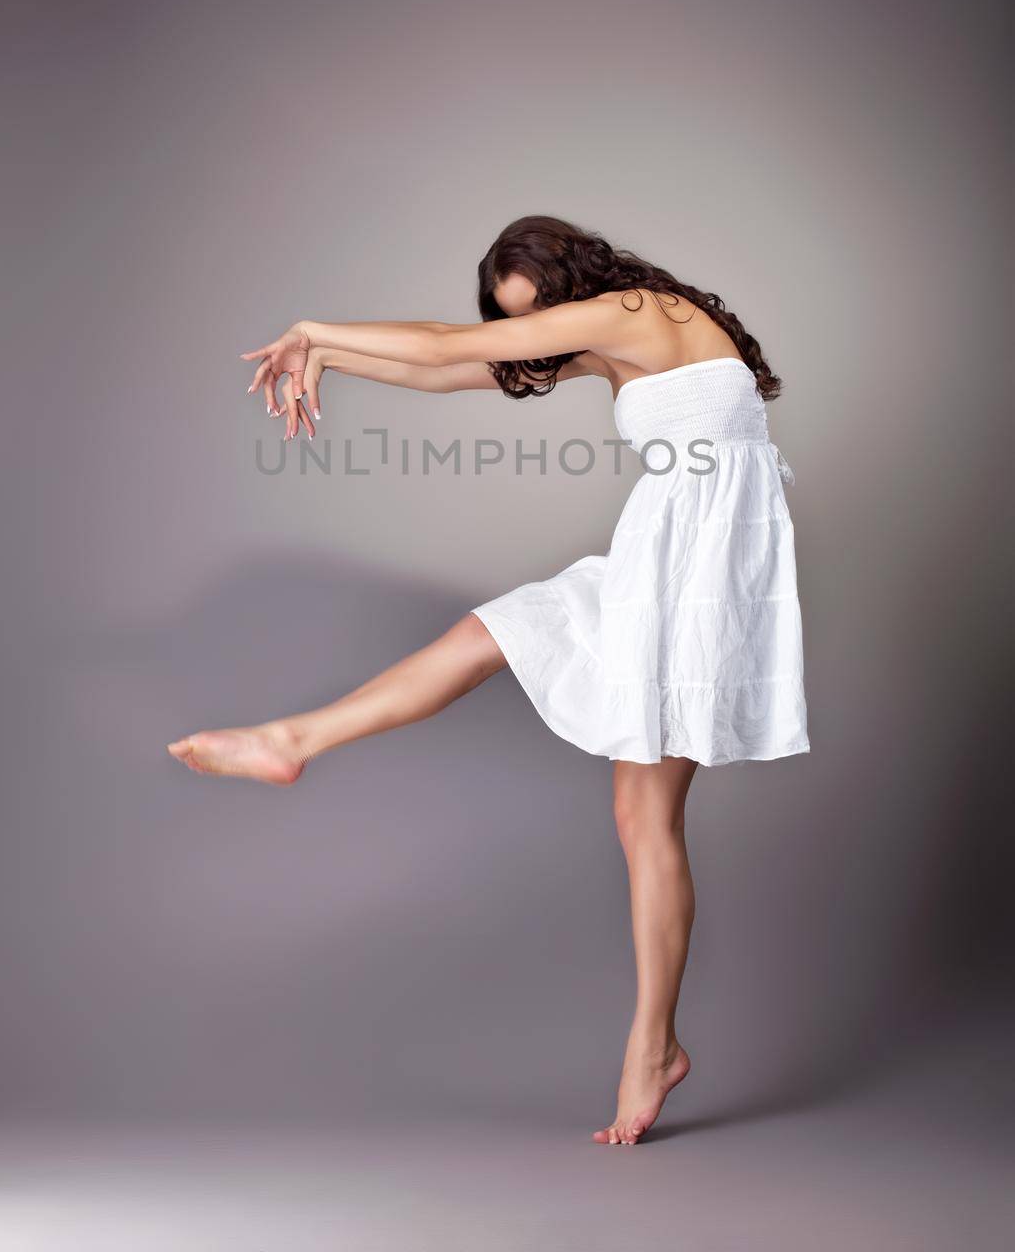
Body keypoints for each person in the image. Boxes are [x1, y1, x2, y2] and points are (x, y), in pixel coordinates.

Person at [167, 213, 809, 1146]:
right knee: (499, 646)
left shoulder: (635, 311)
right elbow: (449, 368)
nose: (534, 324)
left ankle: (650, 1045)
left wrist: (313, 328)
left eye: (538, 307)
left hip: (699, 578)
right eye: (522, 315)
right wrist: (334, 363)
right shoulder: (607, 341)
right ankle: (290, 739)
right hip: (665, 560)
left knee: (645, 817)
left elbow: (449, 342)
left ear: (570, 279)